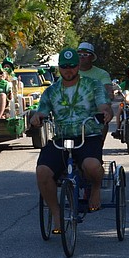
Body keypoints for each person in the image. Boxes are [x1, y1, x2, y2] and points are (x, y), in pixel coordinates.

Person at [30, 48, 113, 231]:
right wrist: (36, 117)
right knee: (42, 171)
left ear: (78, 67)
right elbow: (42, 110)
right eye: (64, 66)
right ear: (59, 68)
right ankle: (57, 214)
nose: (69, 70)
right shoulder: (51, 91)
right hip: (61, 138)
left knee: (91, 165)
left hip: (88, 136)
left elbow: (103, 105)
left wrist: (105, 112)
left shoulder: (93, 85)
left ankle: (96, 189)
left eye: (72, 66)